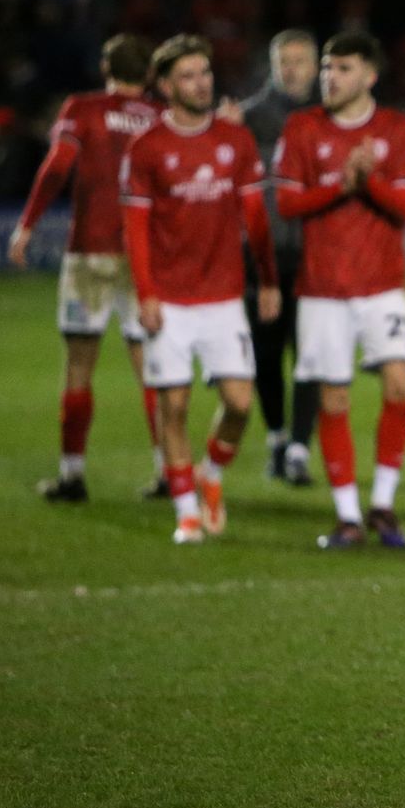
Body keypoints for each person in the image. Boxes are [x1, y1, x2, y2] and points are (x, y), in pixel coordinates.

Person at [121, 34, 281, 543]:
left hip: (223, 297)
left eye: (205, 73)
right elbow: (136, 230)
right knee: (174, 407)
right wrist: (145, 294)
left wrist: (270, 279)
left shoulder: (235, 141)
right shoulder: (147, 148)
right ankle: (186, 510)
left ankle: (211, 476)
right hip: (167, 299)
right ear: (166, 87)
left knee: (239, 404)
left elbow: (255, 217)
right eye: (188, 76)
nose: (201, 83)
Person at [273, 31, 405, 549]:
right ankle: (347, 517)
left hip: (383, 286)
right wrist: (341, 184)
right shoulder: (301, 128)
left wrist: (370, 180)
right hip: (322, 288)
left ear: (369, 75)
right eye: (327, 69)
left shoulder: (398, 130)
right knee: (333, 399)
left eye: (341, 69)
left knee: (400, 384)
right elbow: (289, 204)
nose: (329, 78)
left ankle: (382, 504)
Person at [7, 34, 166, 502]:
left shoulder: (83, 108)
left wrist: (28, 224)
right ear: (151, 75)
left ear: (105, 67)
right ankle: (167, 471)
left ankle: (73, 475)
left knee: (79, 365)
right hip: (144, 257)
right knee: (153, 369)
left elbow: (58, 165)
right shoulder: (161, 118)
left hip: (90, 251)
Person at [225, 29, 321, 485]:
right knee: (266, 356)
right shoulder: (246, 119)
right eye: (286, 61)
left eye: (301, 61)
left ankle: (300, 447)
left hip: (313, 257)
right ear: (273, 64)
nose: (293, 69)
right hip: (257, 256)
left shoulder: (331, 118)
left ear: (316, 65)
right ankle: (278, 439)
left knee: (312, 354)